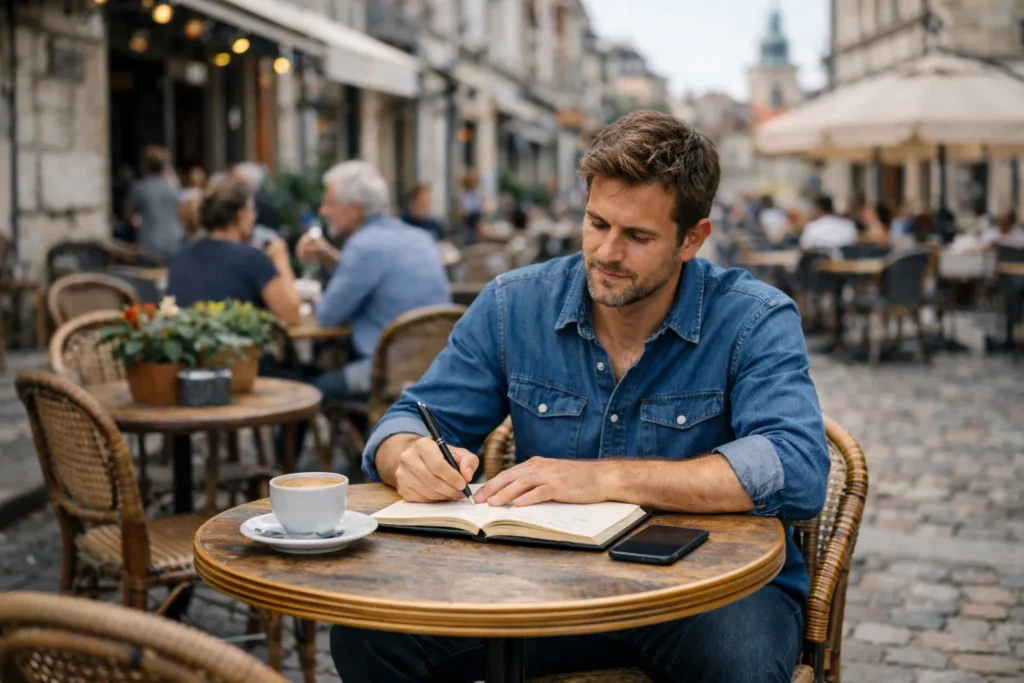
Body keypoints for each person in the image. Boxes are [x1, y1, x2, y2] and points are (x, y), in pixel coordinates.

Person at [330, 111, 829, 682]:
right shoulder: (514, 304)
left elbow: (797, 468)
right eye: (596, 224)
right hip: (548, 585)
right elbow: (405, 423)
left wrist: (606, 478)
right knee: (367, 638)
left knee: (735, 670)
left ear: (693, 238)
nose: (607, 252)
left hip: (709, 593)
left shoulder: (752, 318)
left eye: (637, 236)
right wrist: (409, 456)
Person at [294, 161, 451, 400]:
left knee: (304, 392)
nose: (323, 211)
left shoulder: (363, 246)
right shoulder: (420, 237)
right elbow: (381, 277)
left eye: (330, 203)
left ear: (355, 208)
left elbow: (327, 316)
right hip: (436, 370)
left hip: (387, 375)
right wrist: (332, 260)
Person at [166, 177, 301, 326]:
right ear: (241, 215)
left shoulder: (181, 256)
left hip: (191, 347)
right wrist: (281, 257)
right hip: (241, 348)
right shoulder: (251, 258)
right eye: (252, 211)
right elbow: (292, 314)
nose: (254, 217)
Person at [125, 146, 185, 262]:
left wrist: (139, 225)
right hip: (176, 242)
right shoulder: (174, 187)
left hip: (150, 245)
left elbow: (129, 215)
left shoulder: (140, 188)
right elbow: (182, 211)